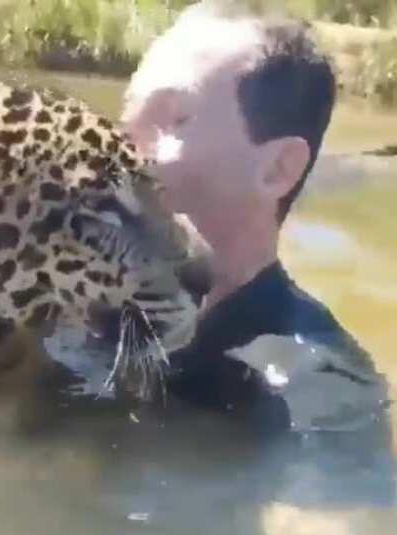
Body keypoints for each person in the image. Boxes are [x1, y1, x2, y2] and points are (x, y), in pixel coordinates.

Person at [120, 2, 389, 432]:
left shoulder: (317, 394)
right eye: (127, 109)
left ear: (277, 168)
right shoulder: (75, 315)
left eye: (174, 118)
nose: (121, 142)